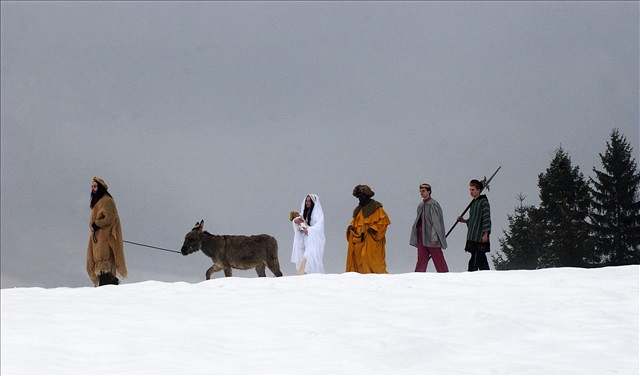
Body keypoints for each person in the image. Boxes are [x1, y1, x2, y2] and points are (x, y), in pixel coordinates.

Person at [86, 176, 127, 286]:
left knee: (105, 269)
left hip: (105, 240)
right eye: (92, 187)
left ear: (100, 187)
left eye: (95, 186)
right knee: (97, 268)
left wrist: (97, 224)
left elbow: (110, 218)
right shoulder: (98, 203)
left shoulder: (107, 201)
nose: (93, 189)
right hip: (97, 240)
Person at [346, 185, 390, 273]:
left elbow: (383, 222)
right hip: (359, 241)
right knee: (359, 260)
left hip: (371, 241)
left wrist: (373, 229)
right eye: (358, 197)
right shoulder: (358, 210)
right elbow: (354, 223)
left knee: (370, 260)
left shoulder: (377, 208)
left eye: (361, 197)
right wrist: (351, 228)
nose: (360, 199)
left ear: (367, 196)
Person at [409, 183, 449, 272]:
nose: (421, 193)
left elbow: (436, 223)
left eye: (423, 191)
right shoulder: (421, 205)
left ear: (429, 191)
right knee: (421, 259)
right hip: (421, 237)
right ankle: (418, 277)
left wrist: (434, 237)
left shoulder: (433, 204)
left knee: (438, 259)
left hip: (431, 237)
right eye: (420, 191)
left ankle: (445, 276)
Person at [457, 179, 491, 271]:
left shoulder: (483, 202)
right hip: (473, 236)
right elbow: (473, 220)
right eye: (470, 190)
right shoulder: (473, 203)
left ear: (478, 190)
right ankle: (488, 276)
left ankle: (471, 275)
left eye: (473, 190)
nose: (471, 192)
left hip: (480, 237)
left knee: (475, 260)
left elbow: (486, 218)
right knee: (481, 260)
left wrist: (486, 233)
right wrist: (464, 220)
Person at [290, 194, 325, 274]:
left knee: (308, 256)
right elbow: (302, 225)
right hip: (305, 239)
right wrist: (297, 222)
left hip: (314, 239)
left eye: (309, 201)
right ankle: (302, 275)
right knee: (303, 256)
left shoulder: (319, 214)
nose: (307, 203)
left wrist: (308, 229)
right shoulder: (304, 212)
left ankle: (300, 274)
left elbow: (319, 227)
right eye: (306, 201)